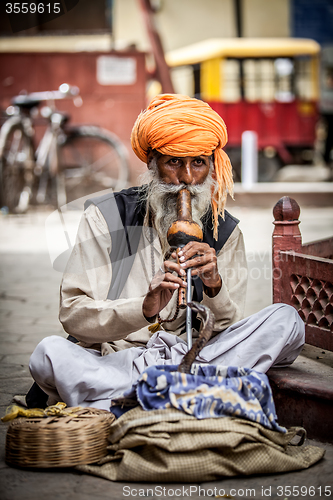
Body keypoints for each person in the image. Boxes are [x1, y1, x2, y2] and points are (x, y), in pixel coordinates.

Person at [29, 94, 305, 411]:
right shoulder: (106, 217)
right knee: (49, 354)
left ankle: (136, 401)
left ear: (211, 167)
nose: (186, 178)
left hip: (195, 357)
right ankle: (191, 397)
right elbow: (74, 316)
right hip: (119, 361)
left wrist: (214, 285)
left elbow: (228, 327)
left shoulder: (224, 232)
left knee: (287, 321)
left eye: (198, 163)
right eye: (174, 161)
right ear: (152, 163)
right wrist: (143, 309)